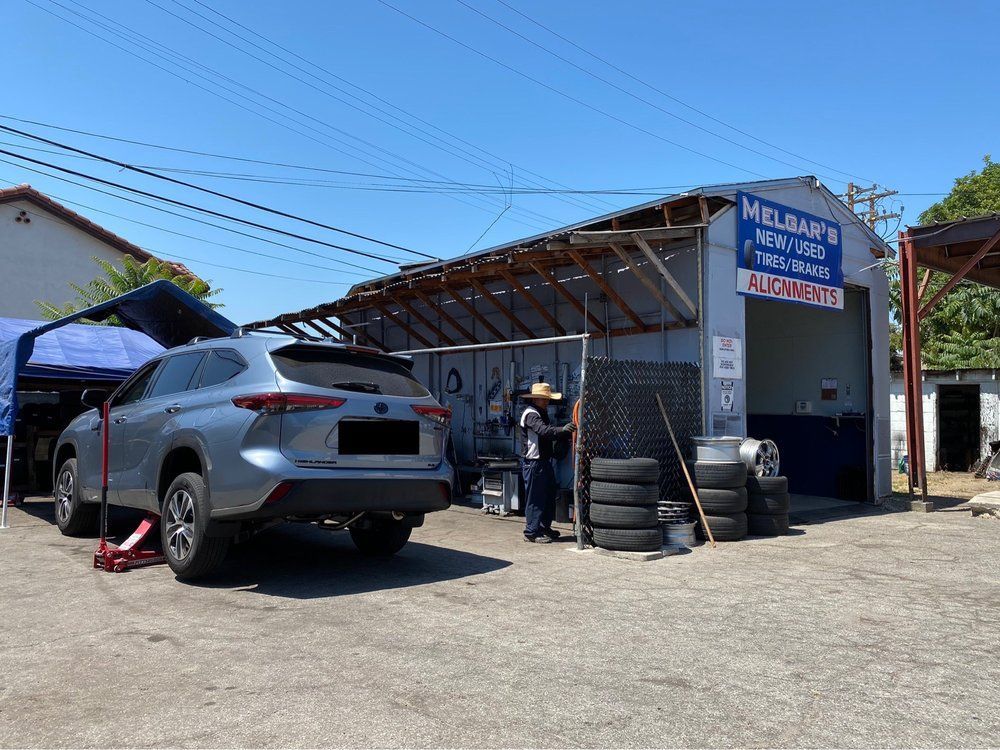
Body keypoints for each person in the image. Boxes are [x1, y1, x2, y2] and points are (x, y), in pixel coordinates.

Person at [519, 382, 577, 543]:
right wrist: (562, 430)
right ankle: (532, 531)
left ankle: (543, 527)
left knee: (548, 495)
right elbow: (544, 431)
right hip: (534, 463)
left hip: (542, 461)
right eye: (544, 399)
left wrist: (562, 433)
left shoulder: (539, 412)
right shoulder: (531, 414)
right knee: (535, 498)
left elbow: (546, 432)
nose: (547, 402)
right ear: (536, 399)